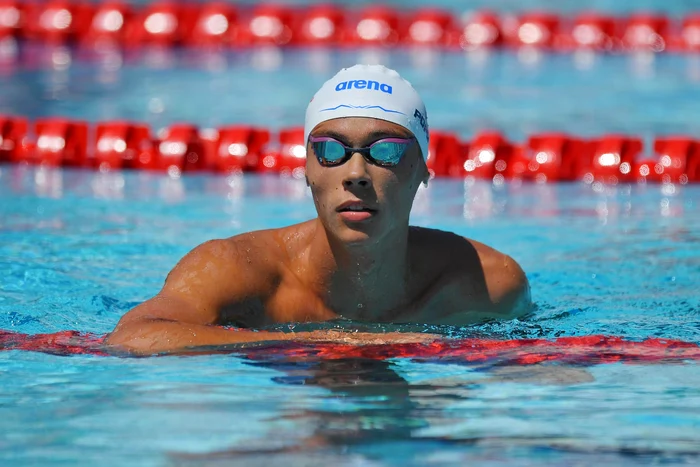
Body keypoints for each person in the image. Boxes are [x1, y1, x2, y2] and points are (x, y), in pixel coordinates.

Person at [105, 65, 531, 356]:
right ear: (306, 169)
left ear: (423, 170)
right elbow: (135, 336)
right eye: (331, 150)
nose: (356, 173)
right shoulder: (238, 268)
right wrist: (331, 344)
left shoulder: (487, 283)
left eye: (386, 150)